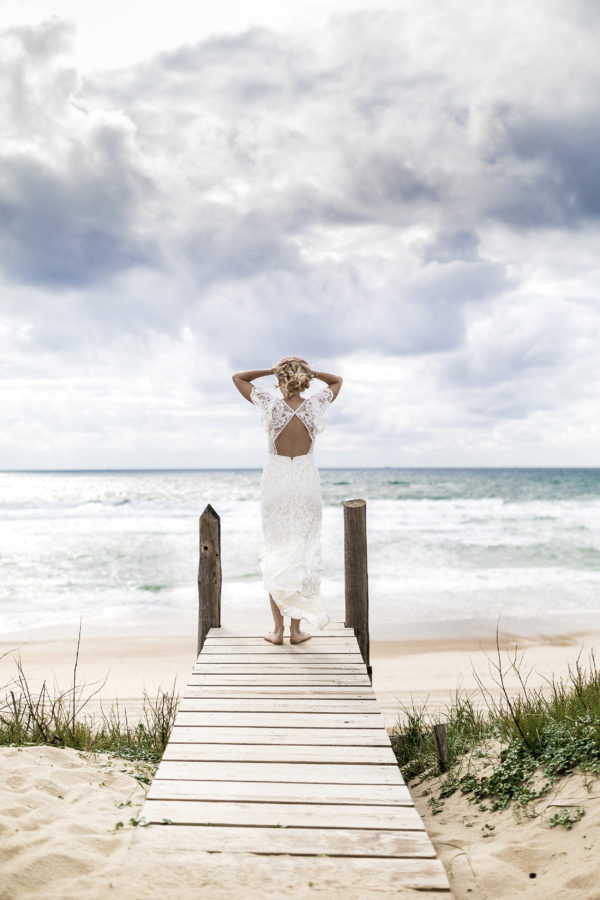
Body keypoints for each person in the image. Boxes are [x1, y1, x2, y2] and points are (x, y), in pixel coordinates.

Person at [232, 356, 343, 644]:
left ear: (280, 381)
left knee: (277, 553)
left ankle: (278, 631)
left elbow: (239, 378)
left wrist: (271, 369)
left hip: (277, 482)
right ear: (304, 380)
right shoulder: (315, 406)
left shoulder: (270, 405)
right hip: (305, 480)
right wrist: (311, 371)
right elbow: (336, 382)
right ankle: (296, 631)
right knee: (302, 554)